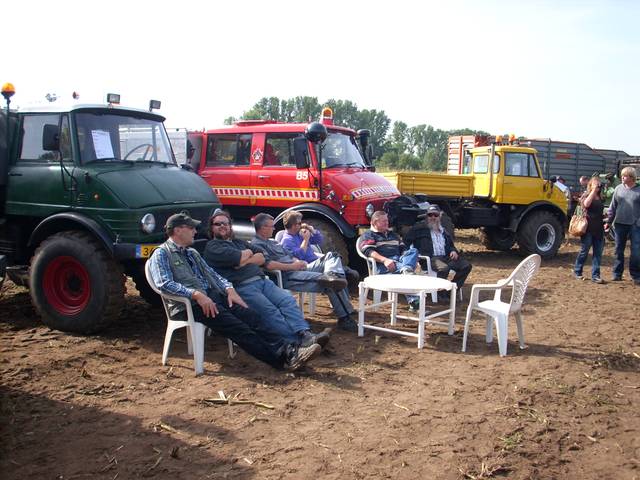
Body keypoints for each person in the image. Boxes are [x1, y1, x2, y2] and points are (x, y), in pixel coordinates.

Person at [147, 213, 321, 372]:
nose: (195, 231)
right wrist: (195, 294)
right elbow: (164, 283)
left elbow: (212, 275)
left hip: (211, 297)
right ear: (178, 230)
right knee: (239, 328)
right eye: (191, 228)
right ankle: (282, 360)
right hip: (188, 305)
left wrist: (229, 289)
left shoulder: (191, 253)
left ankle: (291, 348)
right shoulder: (162, 253)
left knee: (253, 317)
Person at [203, 210, 331, 347]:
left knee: (287, 300)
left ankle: (304, 333)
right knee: (270, 311)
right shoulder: (213, 247)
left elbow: (262, 256)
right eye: (218, 224)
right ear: (211, 227)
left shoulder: (238, 242)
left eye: (225, 223)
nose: (222, 226)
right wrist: (247, 256)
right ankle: (297, 342)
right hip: (241, 287)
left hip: (262, 281)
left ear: (230, 226)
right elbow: (241, 258)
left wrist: (245, 259)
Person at [251, 213, 359, 332]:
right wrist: (293, 266)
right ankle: (344, 317)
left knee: (333, 267)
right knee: (331, 283)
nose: (274, 228)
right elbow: (269, 265)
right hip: (287, 275)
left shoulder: (273, 242)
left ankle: (334, 275)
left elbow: (290, 255)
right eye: (271, 226)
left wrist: (297, 261)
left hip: (299, 267)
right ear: (263, 228)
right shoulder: (257, 245)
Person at [404, 204, 472, 297]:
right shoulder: (419, 228)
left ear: (440, 216)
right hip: (431, 258)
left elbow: (451, 245)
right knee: (444, 268)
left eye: (435, 215)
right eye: (430, 215)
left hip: (446, 257)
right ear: (426, 216)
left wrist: (453, 251)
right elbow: (406, 242)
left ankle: (451, 291)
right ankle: (440, 293)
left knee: (466, 266)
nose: (433, 217)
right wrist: (412, 255)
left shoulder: (443, 230)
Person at [278, 211, 359, 287]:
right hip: (307, 266)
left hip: (315, 261)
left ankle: (339, 275)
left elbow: (318, 240)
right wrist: (306, 240)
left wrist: (312, 230)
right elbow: (299, 256)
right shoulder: (287, 240)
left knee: (338, 279)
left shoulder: (299, 234)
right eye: (299, 223)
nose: (301, 224)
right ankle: (339, 273)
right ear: (294, 225)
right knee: (332, 256)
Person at [359, 211, 420, 310]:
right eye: (383, 221)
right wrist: (384, 260)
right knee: (407, 273)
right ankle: (414, 301)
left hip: (399, 262)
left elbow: (403, 249)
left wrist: (410, 260)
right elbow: (368, 251)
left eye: (387, 220)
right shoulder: (368, 235)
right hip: (382, 266)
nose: (387, 223)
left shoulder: (393, 235)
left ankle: (406, 268)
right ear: (375, 222)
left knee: (413, 251)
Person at [607, 166, 640, 285]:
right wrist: (608, 221)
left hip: (635, 225)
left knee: (636, 251)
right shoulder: (618, 189)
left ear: (631, 177)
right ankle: (617, 274)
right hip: (620, 224)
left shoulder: (638, 190)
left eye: (624, 176)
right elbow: (613, 206)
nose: (622, 177)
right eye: (622, 175)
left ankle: (636, 275)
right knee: (618, 250)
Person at [573, 177, 606, 283]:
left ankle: (595, 275)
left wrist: (605, 217)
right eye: (595, 184)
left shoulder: (600, 197)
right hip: (588, 229)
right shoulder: (586, 195)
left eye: (599, 184)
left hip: (599, 228)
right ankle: (577, 271)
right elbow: (586, 204)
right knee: (584, 251)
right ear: (590, 185)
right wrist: (593, 191)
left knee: (598, 253)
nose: (598, 186)